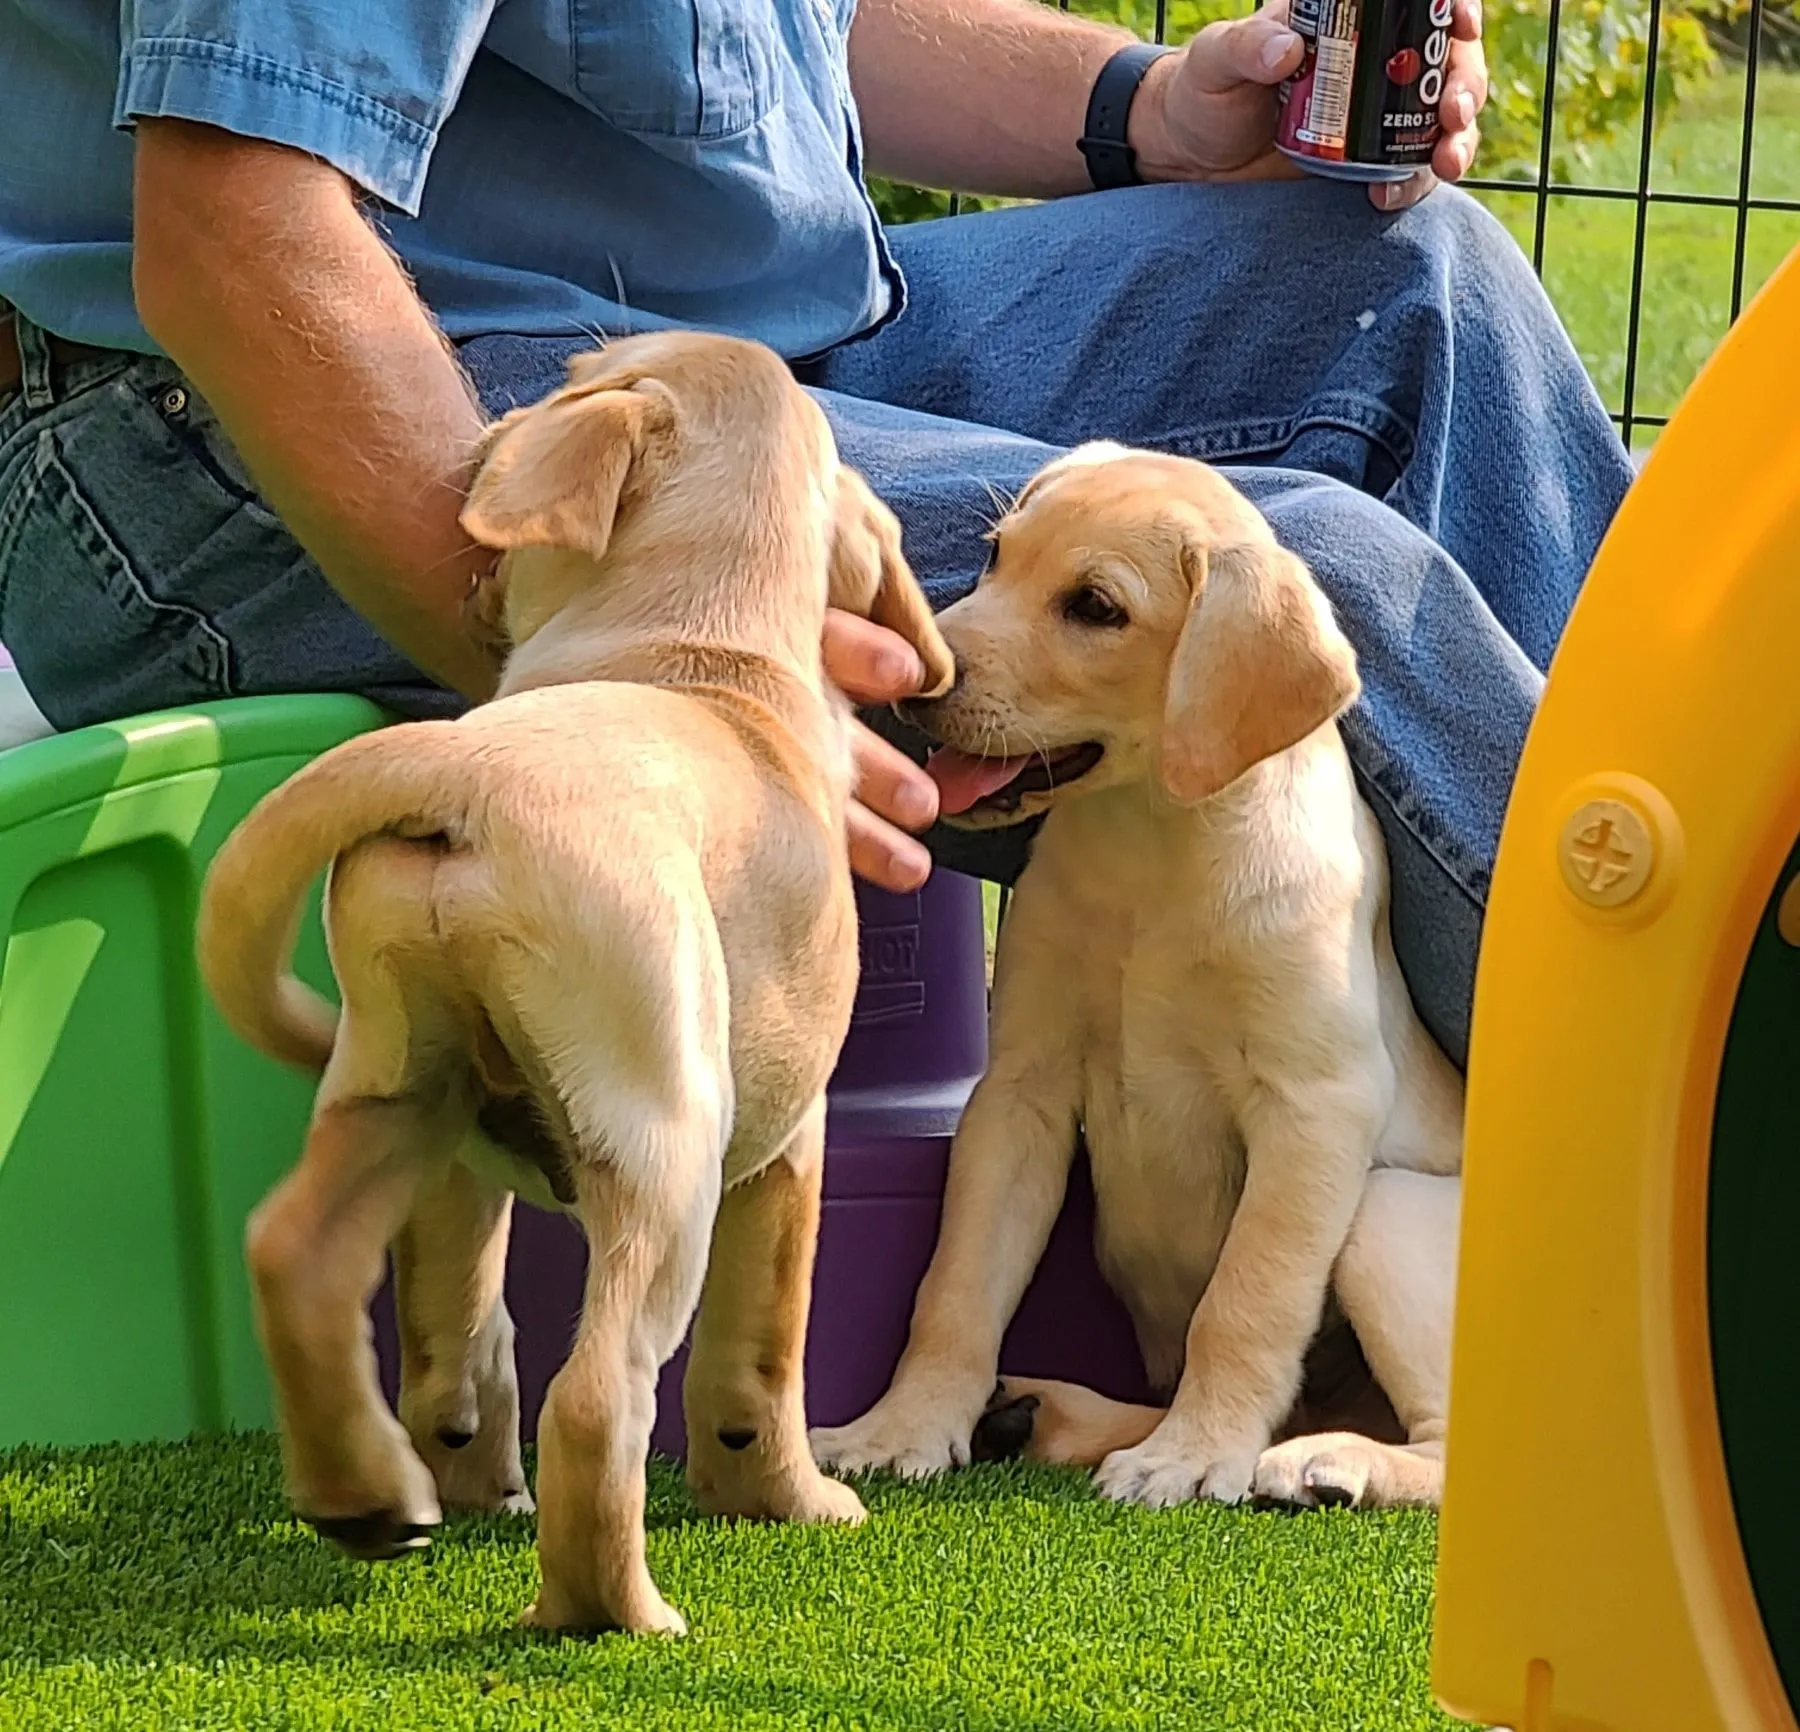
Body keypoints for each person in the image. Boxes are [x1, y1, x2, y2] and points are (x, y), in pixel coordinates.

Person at [0, 0, 1631, 1065]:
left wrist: (1146, 105)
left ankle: (1708, 929)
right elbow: (234, 241)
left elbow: (789, 27)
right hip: (282, 432)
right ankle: (1683, 1142)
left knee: (1417, 285)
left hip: (762, 353)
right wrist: (596, 640)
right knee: (1286, 590)